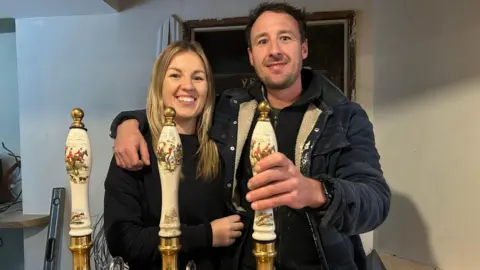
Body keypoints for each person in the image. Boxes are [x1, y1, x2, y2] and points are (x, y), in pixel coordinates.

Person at [108, 2, 391, 270]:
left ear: (304, 48)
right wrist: (128, 124)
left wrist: (317, 192)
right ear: (251, 55)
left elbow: (376, 201)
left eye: (285, 38)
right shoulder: (232, 107)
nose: (274, 50)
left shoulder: (345, 115)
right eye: (262, 41)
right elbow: (181, 105)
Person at [103, 40, 244, 270]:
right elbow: (123, 241)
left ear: (208, 89)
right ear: (159, 84)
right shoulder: (135, 149)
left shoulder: (220, 148)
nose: (188, 86)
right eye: (175, 75)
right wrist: (207, 235)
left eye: (198, 77)